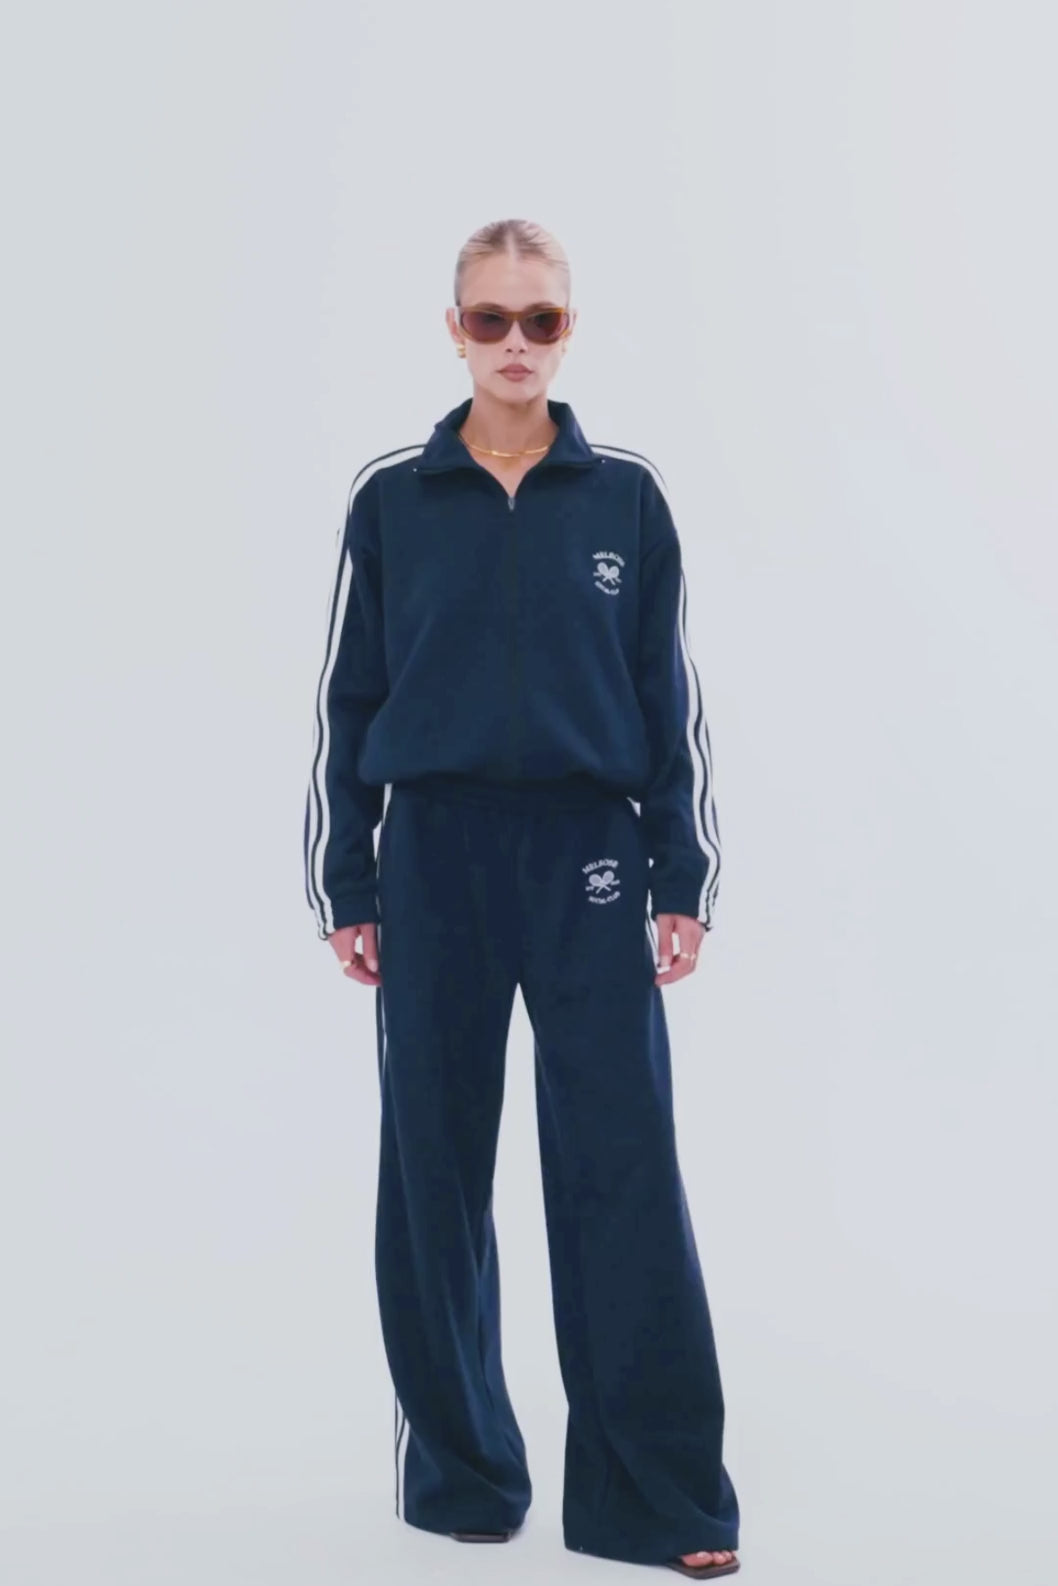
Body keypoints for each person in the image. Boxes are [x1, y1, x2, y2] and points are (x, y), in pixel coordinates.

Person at [302, 217, 741, 1580]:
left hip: (586, 852)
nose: (512, 343)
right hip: (432, 853)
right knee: (433, 1167)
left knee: (621, 1162)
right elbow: (347, 699)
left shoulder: (624, 498)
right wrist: (347, 877)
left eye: (537, 320)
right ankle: (464, 1475)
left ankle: (656, 1498)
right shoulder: (392, 497)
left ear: (567, 331)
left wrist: (682, 870)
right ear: (453, 330)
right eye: (488, 318)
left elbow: (668, 699)